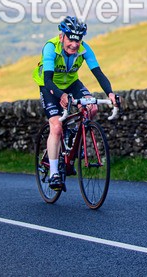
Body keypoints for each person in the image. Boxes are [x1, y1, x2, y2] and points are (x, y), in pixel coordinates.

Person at [33, 16, 118, 191]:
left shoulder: (85, 49)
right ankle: (54, 173)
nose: (74, 44)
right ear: (62, 36)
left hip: (72, 83)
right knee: (56, 127)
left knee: (91, 107)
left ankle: (71, 134)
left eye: (78, 40)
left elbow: (98, 73)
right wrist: (61, 95)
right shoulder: (50, 48)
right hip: (50, 86)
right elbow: (48, 80)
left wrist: (110, 92)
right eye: (70, 38)